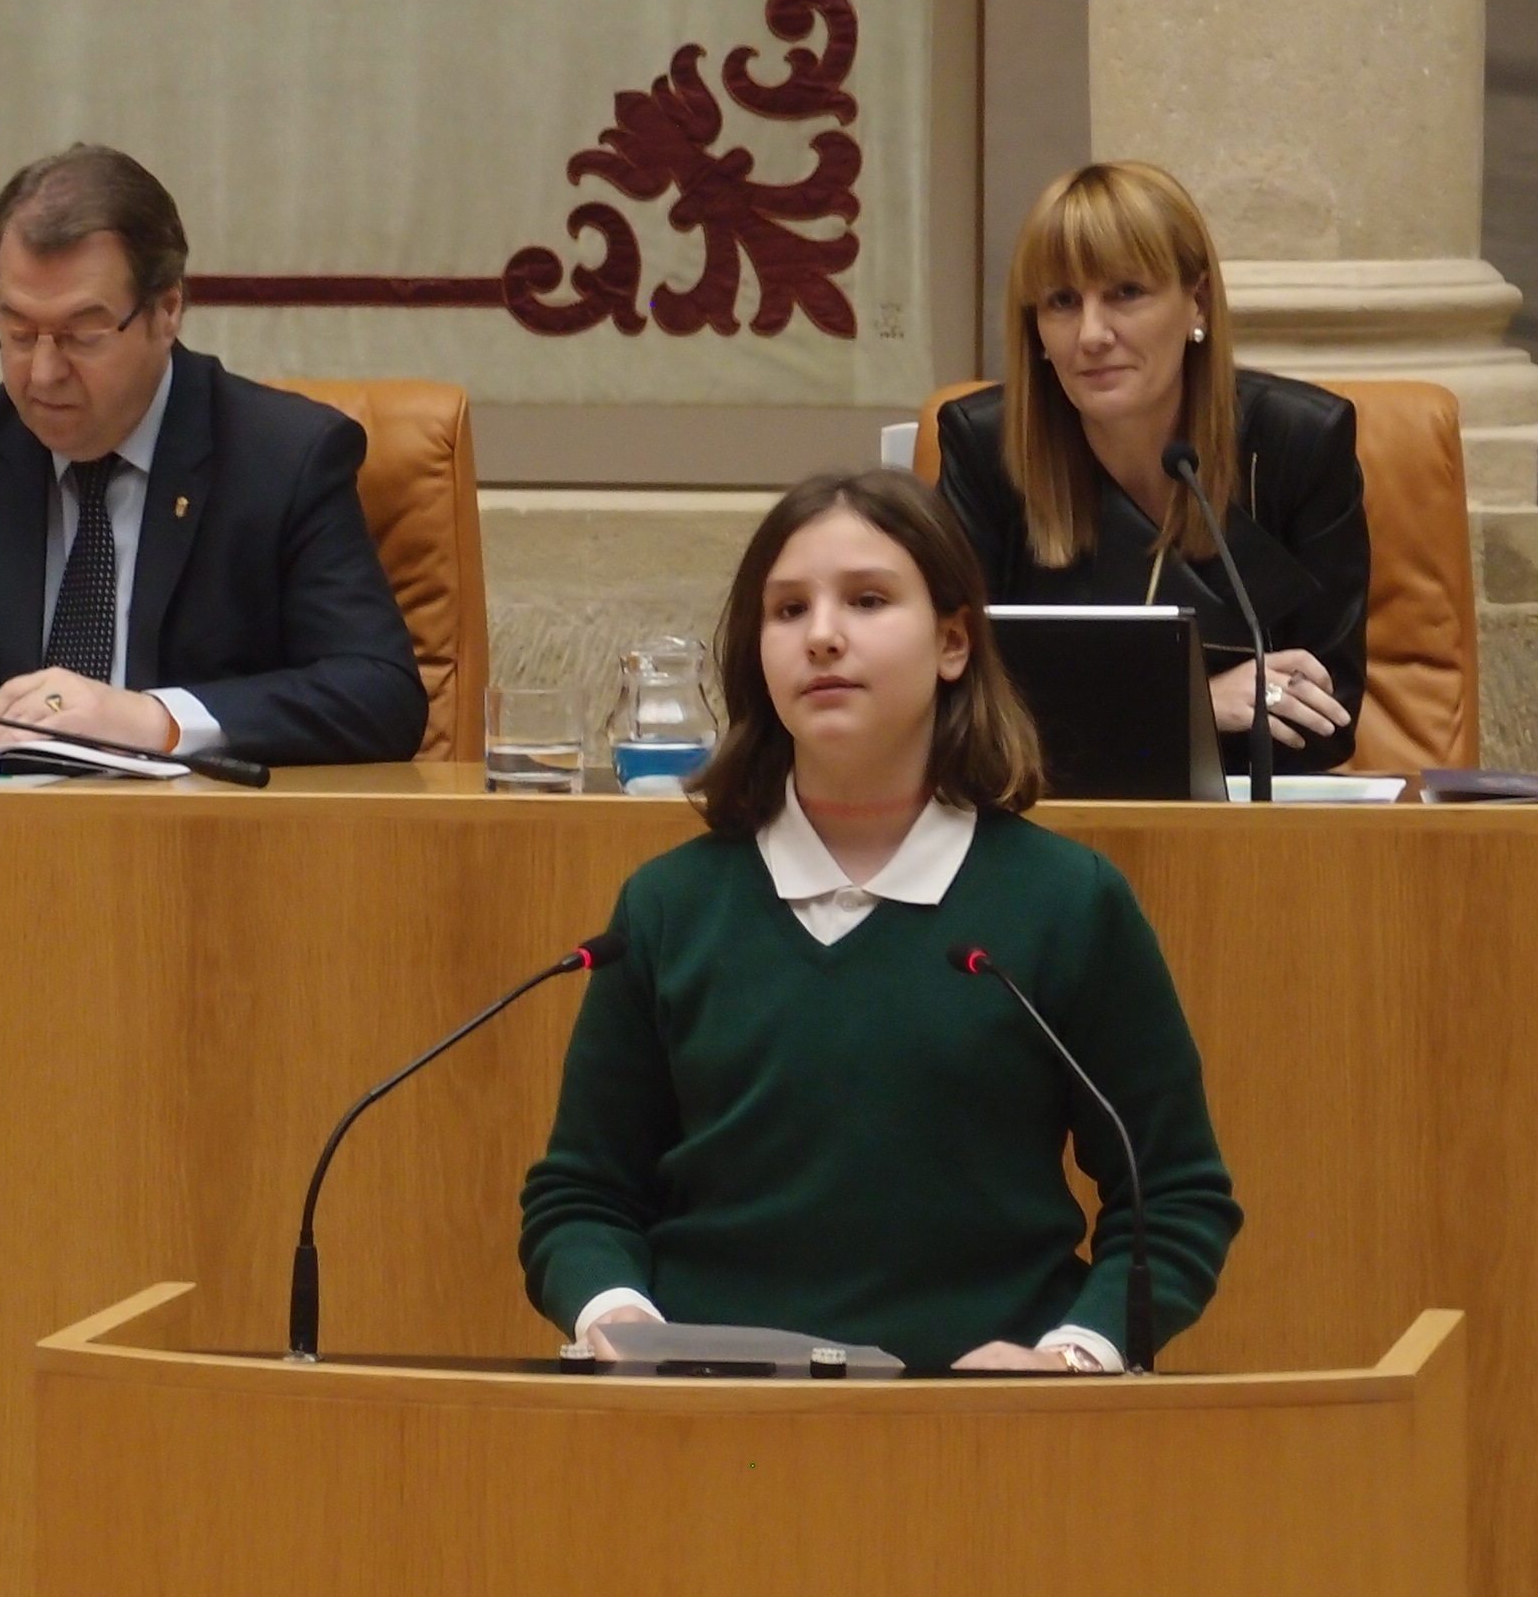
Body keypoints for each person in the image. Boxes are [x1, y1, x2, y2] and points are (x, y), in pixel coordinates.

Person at [520, 469, 1243, 1374]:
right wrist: (615, 1315)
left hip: (987, 1435)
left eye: (866, 600)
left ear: (952, 643)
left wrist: (1073, 1356)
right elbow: (581, 1197)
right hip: (710, 1420)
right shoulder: (668, 909)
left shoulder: (1066, 902)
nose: (822, 636)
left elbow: (1172, 1199)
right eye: (787, 611)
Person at [0, 143, 429, 767]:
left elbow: (379, 693)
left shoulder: (282, 458)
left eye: (82, 335)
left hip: (201, 865)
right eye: (17, 332)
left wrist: (152, 720)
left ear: (168, 312)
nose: (42, 373)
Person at [934, 162, 1368, 773]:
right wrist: (1195, 705)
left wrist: (1081, 714)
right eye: (1062, 301)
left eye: (1125, 293)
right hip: (1042, 817)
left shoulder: (1297, 443)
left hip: (1241, 825)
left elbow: (1326, 716)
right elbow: (944, 695)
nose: (1091, 334)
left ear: (1198, 303)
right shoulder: (984, 446)